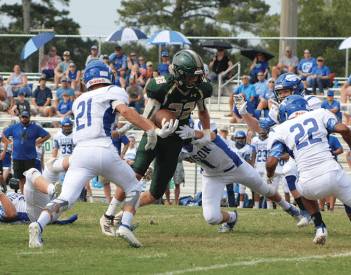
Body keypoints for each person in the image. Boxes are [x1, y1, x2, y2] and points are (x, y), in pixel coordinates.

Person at [29, 60, 165, 249]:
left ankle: (38, 225)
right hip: (104, 150)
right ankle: (125, 226)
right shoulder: (113, 91)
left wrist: (121, 131)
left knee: (65, 199)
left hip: (81, 153)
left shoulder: (79, 101)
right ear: (106, 75)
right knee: (133, 187)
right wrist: (150, 130)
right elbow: (125, 111)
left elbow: (96, 127)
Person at [100, 50, 212, 232]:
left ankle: (125, 214)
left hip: (177, 137)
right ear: (180, 74)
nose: (195, 81)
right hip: (153, 132)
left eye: (197, 76)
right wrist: (157, 131)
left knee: (156, 192)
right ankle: (109, 215)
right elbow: (148, 116)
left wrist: (205, 133)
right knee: (134, 176)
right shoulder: (162, 86)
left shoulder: (200, 88)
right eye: (191, 77)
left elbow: (202, 111)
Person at [174, 122, 305, 233]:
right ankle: (232, 217)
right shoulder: (174, 149)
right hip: (212, 175)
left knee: (265, 189)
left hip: (236, 166)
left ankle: (289, 208)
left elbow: (213, 135)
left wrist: (194, 133)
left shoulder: (199, 126)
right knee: (211, 218)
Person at [234, 73, 322, 226]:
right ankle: (307, 213)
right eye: (279, 93)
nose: (282, 96)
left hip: (315, 148)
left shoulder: (311, 102)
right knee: (289, 171)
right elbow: (259, 127)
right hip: (296, 151)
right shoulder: (279, 107)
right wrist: (244, 113)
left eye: (285, 92)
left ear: (297, 90)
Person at [266, 95, 351, 245]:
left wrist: (270, 175)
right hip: (335, 175)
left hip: (310, 184)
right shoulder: (320, 113)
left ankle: (320, 227)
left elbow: (271, 162)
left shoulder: (279, 129)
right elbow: (343, 128)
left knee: (300, 187)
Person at [2, 110, 50, 194]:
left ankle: (31, 194)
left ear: (29, 117)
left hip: (30, 157)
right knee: (21, 178)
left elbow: (47, 135)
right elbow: (3, 134)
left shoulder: (35, 127)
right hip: (17, 156)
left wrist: (38, 142)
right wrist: (9, 142)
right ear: (20, 117)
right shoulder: (14, 127)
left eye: (26, 117)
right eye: (23, 117)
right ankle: (23, 195)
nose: (24, 119)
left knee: (31, 178)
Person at [318, 134, 343, 212]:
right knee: (321, 186)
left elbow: (340, 149)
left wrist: (331, 153)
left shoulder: (333, 138)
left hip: (332, 165)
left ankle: (331, 208)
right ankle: (321, 207)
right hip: (321, 165)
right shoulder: (317, 139)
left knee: (333, 186)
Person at [230, 130, 252, 209]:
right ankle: (231, 203)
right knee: (231, 188)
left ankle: (241, 205)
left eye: (242, 138)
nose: (240, 140)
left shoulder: (247, 148)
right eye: (239, 138)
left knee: (242, 189)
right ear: (235, 139)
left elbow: (248, 160)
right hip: (233, 169)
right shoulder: (232, 148)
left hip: (242, 169)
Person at [217, 124, 236, 207]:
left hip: (228, 167)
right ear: (219, 132)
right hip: (219, 167)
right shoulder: (216, 141)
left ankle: (231, 204)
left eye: (225, 131)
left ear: (227, 133)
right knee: (218, 187)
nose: (224, 133)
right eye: (222, 131)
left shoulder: (231, 143)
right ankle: (216, 204)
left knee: (230, 188)